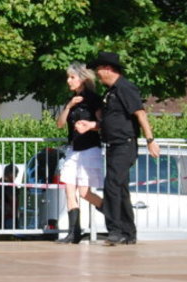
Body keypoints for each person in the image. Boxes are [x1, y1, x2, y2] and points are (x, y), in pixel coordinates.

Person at [72, 51, 159, 246]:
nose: (97, 73)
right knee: (121, 189)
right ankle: (129, 233)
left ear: (108, 69)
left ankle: (115, 231)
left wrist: (150, 140)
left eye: (98, 69)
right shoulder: (110, 92)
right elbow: (111, 120)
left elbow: (140, 114)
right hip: (113, 145)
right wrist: (91, 125)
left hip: (124, 144)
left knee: (111, 185)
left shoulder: (125, 88)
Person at [53, 63, 104, 244]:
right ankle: (73, 233)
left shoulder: (94, 99)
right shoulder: (71, 100)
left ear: (82, 79)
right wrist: (69, 106)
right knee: (69, 189)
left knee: (84, 192)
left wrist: (89, 126)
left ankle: (113, 215)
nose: (69, 81)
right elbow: (60, 124)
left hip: (89, 148)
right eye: (68, 77)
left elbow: (103, 123)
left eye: (72, 77)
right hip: (73, 149)